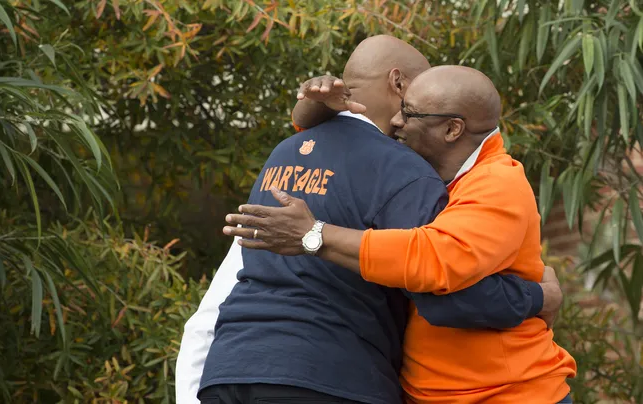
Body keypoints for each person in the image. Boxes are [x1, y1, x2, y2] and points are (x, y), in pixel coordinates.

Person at [176, 36, 563, 404]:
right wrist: (537, 297)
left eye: (411, 112)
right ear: (397, 81)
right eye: (406, 104)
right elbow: (440, 292)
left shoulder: (286, 151)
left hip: (229, 368)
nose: (397, 121)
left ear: (452, 128)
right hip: (327, 375)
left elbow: (433, 266)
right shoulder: (399, 170)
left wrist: (312, 111)